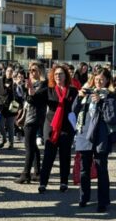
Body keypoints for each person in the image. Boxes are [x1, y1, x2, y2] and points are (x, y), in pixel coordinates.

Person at [73, 68, 116, 212]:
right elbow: (74, 109)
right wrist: (79, 97)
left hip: (101, 136)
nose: (98, 82)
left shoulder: (110, 96)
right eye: (96, 79)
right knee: (84, 169)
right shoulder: (88, 93)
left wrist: (101, 102)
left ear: (107, 80)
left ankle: (103, 201)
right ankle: (83, 197)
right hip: (85, 134)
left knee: (101, 170)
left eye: (102, 79)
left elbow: (112, 117)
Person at [27, 64, 78, 194]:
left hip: (67, 126)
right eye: (56, 74)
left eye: (60, 74)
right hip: (51, 125)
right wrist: (31, 93)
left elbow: (78, 107)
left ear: (66, 76)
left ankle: (64, 182)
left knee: (65, 155)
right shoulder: (49, 90)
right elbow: (35, 100)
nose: (58, 76)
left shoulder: (73, 91)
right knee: (49, 155)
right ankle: (43, 183)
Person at [16, 62, 47, 183]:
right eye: (30, 70)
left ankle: (26, 174)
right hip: (29, 116)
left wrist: (30, 90)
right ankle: (37, 172)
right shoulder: (32, 83)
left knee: (29, 146)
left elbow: (34, 100)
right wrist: (22, 87)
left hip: (34, 117)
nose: (31, 72)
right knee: (33, 145)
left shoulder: (44, 84)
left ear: (40, 71)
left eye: (34, 70)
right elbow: (24, 98)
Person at [0, 65, 19, 149]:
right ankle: (4, 139)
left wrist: (15, 84)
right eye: (8, 71)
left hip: (12, 106)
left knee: (10, 126)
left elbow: (18, 95)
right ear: (5, 72)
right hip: (2, 107)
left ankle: (11, 143)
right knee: (0, 125)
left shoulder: (14, 82)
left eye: (11, 71)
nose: (9, 72)